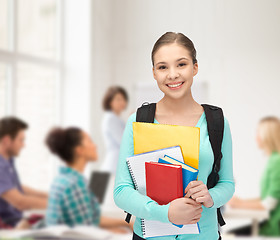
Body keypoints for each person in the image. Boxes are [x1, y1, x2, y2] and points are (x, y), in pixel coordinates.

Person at [113, 32, 235, 240]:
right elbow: (121, 191)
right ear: (154, 73)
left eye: (181, 64)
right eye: (162, 67)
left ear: (195, 67)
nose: (172, 74)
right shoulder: (138, 121)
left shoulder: (217, 122)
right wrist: (165, 213)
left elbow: (227, 183)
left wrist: (210, 195)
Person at [45, 127, 133, 233]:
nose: (95, 145)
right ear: (79, 150)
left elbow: (91, 219)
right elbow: (87, 230)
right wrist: (121, 231)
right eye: (89, 141)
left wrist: (125, 224)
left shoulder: (63, 179)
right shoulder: (75, 184)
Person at [228, 116, 280, 236]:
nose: (256, 137)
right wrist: (241, 201)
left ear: (267, 136)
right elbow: (267, 197)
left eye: (258, 133)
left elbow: (269, 203)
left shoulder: (276, 161)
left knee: (228, 235)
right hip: (269, 223)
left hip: (273, 227)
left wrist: (239, 204)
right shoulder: (273, 159)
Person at [0, 117, 48, 228]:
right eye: (21, 140)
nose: (23, 145)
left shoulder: (8, 161)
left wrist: (49, 195)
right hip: (7, 226)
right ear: (7, 140)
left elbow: (15, 187)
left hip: (17, 220)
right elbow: (20, 202)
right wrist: (58, 204)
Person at [100, 86, 128, 174]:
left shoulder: (116, 118)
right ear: (110, 102)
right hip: (112, 167)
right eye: (118, 99)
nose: (122, 102)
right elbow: (124, 141)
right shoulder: (111, 118)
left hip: (114, 166)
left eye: (124, 99)